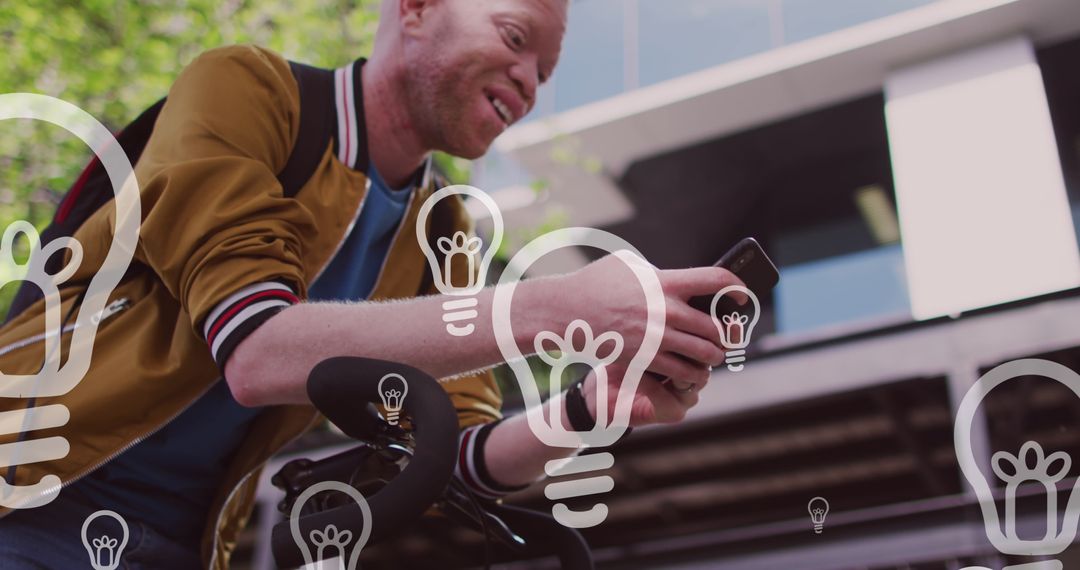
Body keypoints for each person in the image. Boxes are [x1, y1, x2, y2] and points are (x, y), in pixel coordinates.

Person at [0, 0, 743, 568]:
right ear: (415, 9)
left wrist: (589, 407)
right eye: (517, 39)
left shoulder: (446, 223)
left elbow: (453, 453)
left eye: (543, 74)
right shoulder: (246, 88)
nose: (528, 83)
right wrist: (552, 306)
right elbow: (260, 353)